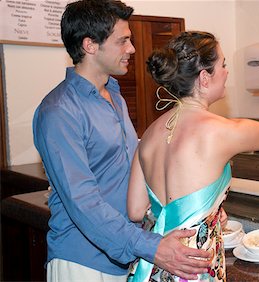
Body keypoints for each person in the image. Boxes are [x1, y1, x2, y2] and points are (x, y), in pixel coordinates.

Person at [126, 31, 259, 281]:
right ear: (204, 78)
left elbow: (137, 211)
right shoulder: (218, 130)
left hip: (155, 261)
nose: (226, 72)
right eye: (222, 65)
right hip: (192, 266)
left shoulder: (149, 133)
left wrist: (200, 213)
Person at [32, 1, 212, 281]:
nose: (132, 49)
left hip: (127, 255)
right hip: (83, 263)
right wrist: (151, 247)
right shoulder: (58, 111)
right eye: (123, 41)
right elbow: (84, 203)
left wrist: (197, 210)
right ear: (90, 45)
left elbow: (130, 174)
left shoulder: (114, 96)